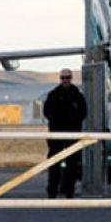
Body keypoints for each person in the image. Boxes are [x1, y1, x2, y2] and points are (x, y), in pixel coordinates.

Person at [43, 67, 87, 198]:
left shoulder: (77, 95)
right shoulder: (53, 95)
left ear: (71, 78)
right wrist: (58, 121)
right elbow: (47, 112)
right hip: (56, 134)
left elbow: (83, 113)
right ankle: (52, 190)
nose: (65, 80)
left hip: (72, 134)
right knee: (54, 163)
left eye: (68, 77)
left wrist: (72, 122)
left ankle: (69, 190)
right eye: (63, 78)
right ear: (60, 79)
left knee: (72, 164)